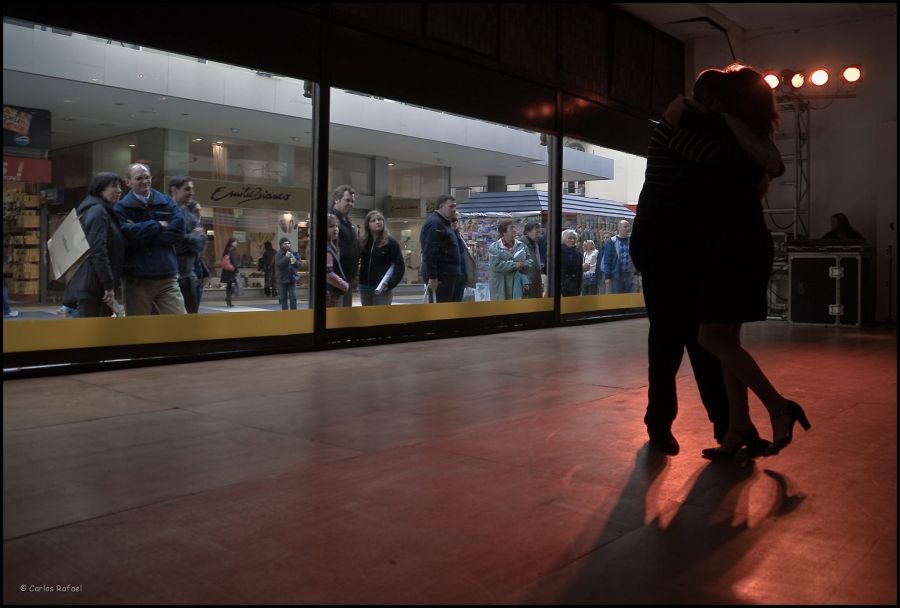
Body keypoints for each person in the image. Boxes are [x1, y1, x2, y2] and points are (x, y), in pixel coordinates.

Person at [668, 65, 810, 459]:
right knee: (727, 340)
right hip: (745, 242)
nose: (703, 103)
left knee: (710, 337)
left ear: (722, 101)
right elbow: (774, 163)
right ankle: (738, 429)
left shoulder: (718, 129)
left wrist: (682, 108)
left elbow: (672, 128)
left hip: (731, 245)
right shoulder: (750, 137)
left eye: (708, 97)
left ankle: (779, 407)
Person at [630, 69, 740, 454]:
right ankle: (712, 424)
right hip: (666, 248)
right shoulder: (679, 124)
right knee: (686, 340)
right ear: (710, 100)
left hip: (672, 248)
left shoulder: (680, 121)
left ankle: (686, 424)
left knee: (677, 340)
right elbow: (716, 160)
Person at [114, 163, 186, 316]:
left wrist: (141, 231)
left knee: (181, 325)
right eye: (139, 178)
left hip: (167, 277)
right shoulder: (121, 208)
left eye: (147, 177)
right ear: (128, 182)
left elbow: (178, 233)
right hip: (136, 280)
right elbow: (125, 236)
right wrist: (158, 225)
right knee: (138, 330)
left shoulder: (167, 202)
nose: (144, 181)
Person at [63, 172, 128, 317]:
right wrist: (108, 285)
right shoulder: (98, 211)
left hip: (90, 285)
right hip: (94, 287)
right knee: (92, 335)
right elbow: (98, 250)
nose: (119, 190)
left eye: (119, 186)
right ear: (100, 189)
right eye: (113, 186)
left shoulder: (95, 209)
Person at [170, 176, 207, 314]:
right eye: (187, 189)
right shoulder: (166, 211)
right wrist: (192, 237)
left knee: (191, 318)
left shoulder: (190, 216)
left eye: (192, 189)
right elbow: (172, 242)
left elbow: (201, 244)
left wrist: (186, 239)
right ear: (174, 190)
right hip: (171, 277)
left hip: (190, 277)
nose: (192, 192)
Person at [420, 194, 465, 302]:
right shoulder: (435, 224)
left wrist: (455, 229)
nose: (454, 210)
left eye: (455, 206)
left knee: (451, 312)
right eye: (451, 206)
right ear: (441, 206)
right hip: (442, 276)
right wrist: (433, 277)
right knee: (442, 311)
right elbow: (430, 252)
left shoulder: (446, 224)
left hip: (451, 274)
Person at [358, 210, 405, 306]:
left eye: (380, 219)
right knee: (367, 318)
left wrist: (391, 284)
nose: (377, 222)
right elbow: (355, 260)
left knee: (381, 318)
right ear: (368, 224)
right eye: (373, 220)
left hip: (382, 288)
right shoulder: (363, 242)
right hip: (364, 288)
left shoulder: (391, 242)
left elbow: (399, 265)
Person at [329, 185, 360, 307]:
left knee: (344, 318)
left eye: (352, 201)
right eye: (347, 200)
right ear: (337, 199)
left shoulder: (347, 220)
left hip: (346, 279)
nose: (351, 204)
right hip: (335, 281)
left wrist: (354, 274)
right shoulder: (330, 220)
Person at [488, 219, 532, 300]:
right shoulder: (494, 247)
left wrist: (524, 264)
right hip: (501, 285)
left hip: (518, 285)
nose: (514, 230)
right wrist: (515, 265)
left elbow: (530, 261)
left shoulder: (521, 246)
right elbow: (496, 265)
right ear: (504, 232)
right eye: (511, 228)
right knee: (503, 309)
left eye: (514, 228)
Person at [600, 220, 636, 294]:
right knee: (617, 299)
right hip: (616, 276)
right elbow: (607, 260)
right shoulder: (612, 241)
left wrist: (637, 274)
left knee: (629, 299)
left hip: (629, 275)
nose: (628, 228)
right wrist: (607, 277)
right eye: (625, 226)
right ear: (619, 228)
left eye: (629, 226)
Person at [450, 213, 477, 300]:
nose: (455, 223)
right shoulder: (444, 234)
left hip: (461, 275)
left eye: (456, 220)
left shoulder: (457, 234)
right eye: (452, 220)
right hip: (450, 277)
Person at [325, 213, 349, 307]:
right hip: (330, 293)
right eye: (331, 226)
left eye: (336, 226)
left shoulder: (331, 245)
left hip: (332, 292)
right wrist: (344, 286)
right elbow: (328, 274)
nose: (335, 229)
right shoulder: (327, 249)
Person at [519, 222, 544, 298]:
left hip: (536, 281)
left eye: (540, 232)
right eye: (536, 232)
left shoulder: (535, 244)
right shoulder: (520, 244)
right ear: (527, 232)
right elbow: (519, 265)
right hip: (527, 283)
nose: (539, 235)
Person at [274, 237, 299, 310]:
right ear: (281, 245)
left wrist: (294, 260)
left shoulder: (294, 253)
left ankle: (294, 313)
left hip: (292, 279)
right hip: (282, 279)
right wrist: (286, 257)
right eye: (285, 244)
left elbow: (299, 265)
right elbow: (279, 265)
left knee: (293, 297)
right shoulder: (278, 254)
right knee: (283, 298)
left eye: (288, 243)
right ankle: (285, 313)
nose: (287, 245)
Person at [560, 228, 583, 297]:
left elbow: (579, 274)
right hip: (562, 287)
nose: (572, 240)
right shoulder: (558, 251)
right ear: (564, 239)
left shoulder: (578, 253)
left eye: (574, 238)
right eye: (569, 238)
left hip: (574, 287)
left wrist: (579, 290)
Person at [220, 237, 239, 307]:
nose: (236, 243)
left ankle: (228, 299)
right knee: (235, 285)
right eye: (235, 242)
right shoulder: (232, 250)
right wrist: (236, 269)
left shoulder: (226, 249)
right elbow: (233, 260)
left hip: (226, 270)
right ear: (232, 242)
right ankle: (228, 299)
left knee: (229, 286)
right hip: (231, 270)